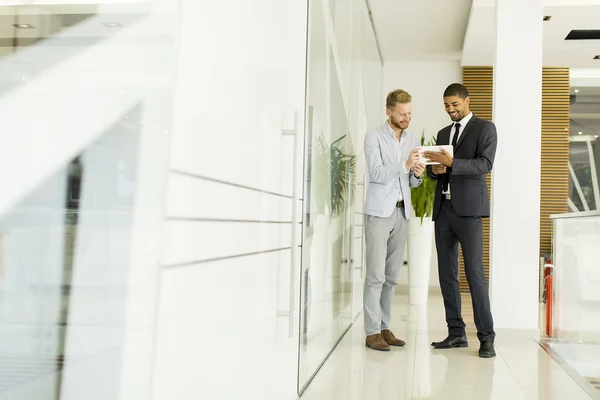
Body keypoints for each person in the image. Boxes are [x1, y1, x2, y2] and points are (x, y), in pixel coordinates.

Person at [424, 83, 498, 358]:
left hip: (469, 212)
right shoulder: (444, 133)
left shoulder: (485, 128)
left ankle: (486, 338)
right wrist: (436, 169)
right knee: (446, 274)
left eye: (454, 104)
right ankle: (456, 333)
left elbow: (485, 165)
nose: (451, 109)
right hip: (444, 210)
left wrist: (453, 163)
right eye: (446, 105)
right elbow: (436, 172)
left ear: (467, 101)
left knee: (475, 274)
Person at [363, 89, 425, 351]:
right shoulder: (373, 137)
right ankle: (371, 332)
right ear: (388, 112)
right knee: (375, 276)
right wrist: (404, 164)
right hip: (379, 213)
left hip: (402, 212)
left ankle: (384, 327)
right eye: (402, 114)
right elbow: (376, 173)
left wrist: (418, 174)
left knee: (391, 277)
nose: (407, 118)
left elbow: (410, 181)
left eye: (409, 113)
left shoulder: (412, 138)